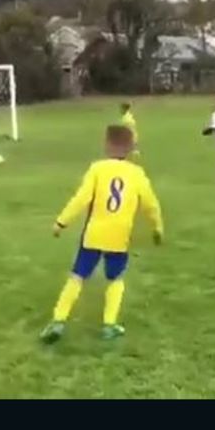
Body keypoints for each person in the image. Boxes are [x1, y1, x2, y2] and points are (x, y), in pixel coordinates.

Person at [41, 125, 164, 342]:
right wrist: (157, 228)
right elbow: (151, 204)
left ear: (106, 145)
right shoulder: (137, 174)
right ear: (131, 148)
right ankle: (109, 325)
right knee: (115, 279)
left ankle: (58, 320)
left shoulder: (97, 169)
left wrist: (61, 222)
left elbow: (81, 198)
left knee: (77, 276)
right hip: (119, 237)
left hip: (94, 234)